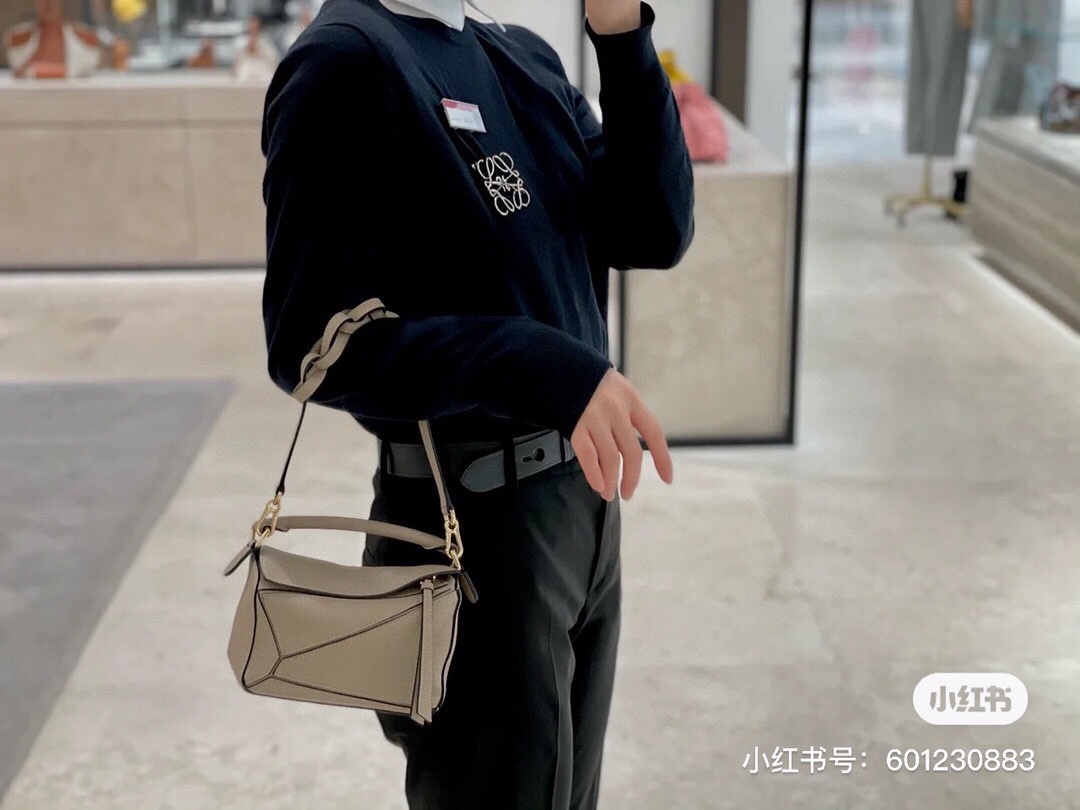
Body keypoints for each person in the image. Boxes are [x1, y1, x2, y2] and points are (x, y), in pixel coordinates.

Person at [259, 0, 694, 807]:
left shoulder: (519, 56)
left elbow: (653, 226)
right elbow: (312, 344)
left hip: (579, 507)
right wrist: (540, 364)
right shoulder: (346, 62)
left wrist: (623, 37)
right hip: (471, 528)